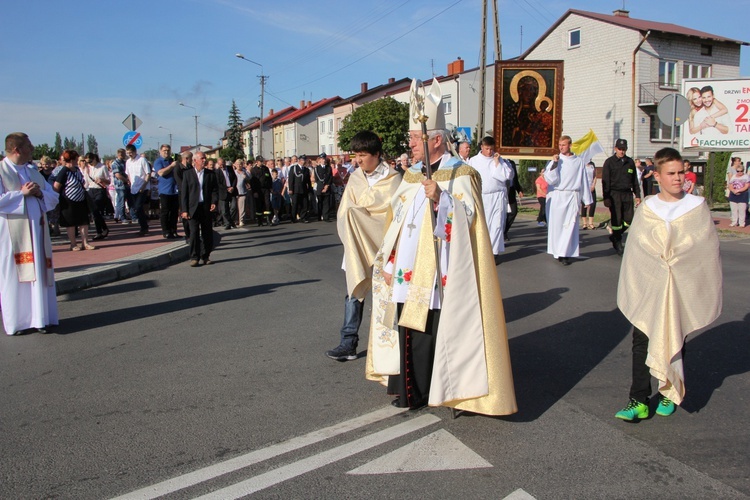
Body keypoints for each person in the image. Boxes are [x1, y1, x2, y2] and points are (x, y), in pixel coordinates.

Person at [367, 79, 517, 416]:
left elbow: (471, 220)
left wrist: (443, 199)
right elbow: (399, 220)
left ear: (436, 140)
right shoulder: (410, 175)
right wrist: (389, 259)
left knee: (433, 330)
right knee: (407, 326)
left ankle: (443, 387)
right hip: (407, 267)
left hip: (442, 269)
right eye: (411, 139)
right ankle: (409, 388)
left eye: (415, 139)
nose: (411, 144)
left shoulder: (461, 173)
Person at [615, 147, 722, 421]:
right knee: (641, 338)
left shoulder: (695, 207)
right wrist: (658, 260)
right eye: (671, 173)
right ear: (658, 176)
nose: (678, 178)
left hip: (680, 287)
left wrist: (678, 259)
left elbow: (705, 248)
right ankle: (637, 399)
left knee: (676, 335)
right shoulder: (648, 207)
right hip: (650, 286)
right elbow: (637, 247)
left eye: (681, 172)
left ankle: (668, 392)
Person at [326, 131, 401, 362]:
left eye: (362, 155)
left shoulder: (395, 179)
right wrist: (355, 226)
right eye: (355, 155)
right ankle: (348, 342)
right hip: (357, 244)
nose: (357, 160)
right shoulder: (356, 178)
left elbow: (395, 215)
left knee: (390, 296)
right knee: (353, 292)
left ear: (377, 154)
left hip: (385, 247)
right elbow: (344, 212)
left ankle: (394, 346)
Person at [0, 133, 59, 335]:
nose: (32, 148)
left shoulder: (32, 171)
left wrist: (39, 193)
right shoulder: (1, 171)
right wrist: (21, 194)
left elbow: (54, 196)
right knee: (14, 275)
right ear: (17, 149)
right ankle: (17, 322)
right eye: (28, 145)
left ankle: (41, 318)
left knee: (39, 272)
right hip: (12, 236)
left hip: (38, 231)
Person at [544, 135, 592, 265]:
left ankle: (564, 253)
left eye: (564, 145)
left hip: (572, 196)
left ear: (570, 145)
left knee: (570, 225)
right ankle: (558, 251)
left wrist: (587, 200)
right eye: (560, 145)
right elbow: (550, 179)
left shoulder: (579, 161)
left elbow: (584, 181)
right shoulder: (556, 160)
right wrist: (554, 163)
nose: (561, 147)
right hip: (559, 195)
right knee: (558, 226)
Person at [468, 136, 513, 261]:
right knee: (483, 225)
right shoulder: (473, 161)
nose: (489, 151)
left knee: (497, 225)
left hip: (498, 196)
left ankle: (494, 253)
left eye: (491, 149)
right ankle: (482, 252)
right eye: (487, 148)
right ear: (482, 147)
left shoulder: (499, 159)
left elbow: (508, 175)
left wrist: (497, 163)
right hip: (482, 197)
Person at [181, 151, 219, 267]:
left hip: (205, 207)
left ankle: (206, 256)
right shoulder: (188, 174)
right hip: (193, 208)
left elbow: (214, 190)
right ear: (195, 160)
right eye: (202, 158)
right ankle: (194, 257)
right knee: (194, 233)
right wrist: (184, 210)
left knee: (207, 233)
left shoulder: (210, 174)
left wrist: (214, 202)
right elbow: (184, 194)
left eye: (205, 158)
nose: (204, 160)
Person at [602, 139, 640, 255]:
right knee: (617, 220)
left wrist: (637, 195)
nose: (622, 151)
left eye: (623, 149)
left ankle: (614, 235)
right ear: (615, 148)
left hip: (627, 194)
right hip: (614, 194)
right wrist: (606, 197)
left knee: (629, 220)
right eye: (620, 149)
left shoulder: (630, 162)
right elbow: (605, 181)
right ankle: (618, 242)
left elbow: (635, 181)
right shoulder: (609, 162)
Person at [54, 150, 94, 250]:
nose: (78, 161)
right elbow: (56, 186)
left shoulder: (76, 169)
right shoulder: (64, 171)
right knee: (70, 223)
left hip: (81, 199)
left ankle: (85, 243)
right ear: (71, 160)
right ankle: (73, 244)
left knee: (84, 222)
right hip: (68, 200)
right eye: (76, 159)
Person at [153, 144, 180, 239]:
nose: (166, 152)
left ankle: (174, 230)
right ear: (160, 151)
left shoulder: (172, 161)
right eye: (164, 150)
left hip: (174, 190)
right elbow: (161, 172)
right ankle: (166, 231)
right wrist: (171, 166)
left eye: (168, 150)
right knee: (165, 212)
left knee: (174, 212)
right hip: (165, 191)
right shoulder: (158, 161)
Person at [82, 153, 110, 240]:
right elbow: (86, 181)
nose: (89, 163)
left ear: (94, 158)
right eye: (87, 162)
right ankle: (102, 230)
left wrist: (102, 180)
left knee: (97, 209)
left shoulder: (102, 167)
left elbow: (109, 181)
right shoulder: (88, 168)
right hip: (90, 190)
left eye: (90, 161)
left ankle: (100, 231)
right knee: (94, 212)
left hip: (100, 190)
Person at [124, 144, 151, 236]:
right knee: (136, 208)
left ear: (135, 151)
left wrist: (144, 186)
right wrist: (131, 182)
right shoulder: (128, 162)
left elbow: (148, 173)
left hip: (142, 187)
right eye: (128, 153)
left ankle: (144, 227)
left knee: (139, 206)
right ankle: (143, 225)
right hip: (134, 188)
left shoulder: (142, 160)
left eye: (131, 153)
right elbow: (128, 174)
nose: (129, 155)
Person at [173, 152, 192, 242]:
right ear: (186, 159)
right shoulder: (178, 168)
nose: (192, 160)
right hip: (183, 194)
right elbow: (179, 182)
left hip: (192, 193)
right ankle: (188, 235)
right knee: (185, 213)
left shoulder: (191, 168)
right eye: (191, 158)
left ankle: (193, 234)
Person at [215, 157, 237, 229]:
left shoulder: (230, 168)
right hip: (223, 192)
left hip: (232, 191)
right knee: (224, 210)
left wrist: (232, 187)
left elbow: (234, 178)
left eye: (223, 164)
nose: (222, 166)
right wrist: (227, 189)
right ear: (218, 164)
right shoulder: (217, 172)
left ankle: (230, 220)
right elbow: (218, 183)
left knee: (234, 207)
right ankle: (228, 223)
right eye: (220, 164)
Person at [504, 159, 523, 242]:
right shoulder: (497, 161)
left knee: (513, 211)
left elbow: (515, 178)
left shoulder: (511, 163)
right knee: (501, 213)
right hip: (501, 190)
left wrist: (519, 189)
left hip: (511, 190)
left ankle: (504, 231)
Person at [287, 154, 311, 223]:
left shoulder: (306, 169)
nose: (303, 162)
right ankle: (293, 218)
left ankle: (303, 217)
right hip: (295, 189)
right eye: (302, 160)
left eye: (304, 160)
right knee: (295, 204)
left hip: (303, 189)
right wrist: (291, 189)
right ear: (299, 161)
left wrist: (309, 189)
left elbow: (308, 181)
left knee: (305, 204)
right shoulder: (294, 168)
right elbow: (291, 179)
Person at [111, 148, 131, 223]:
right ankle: (122, 217)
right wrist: (127, 180)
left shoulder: (125, 162)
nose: (123, 155)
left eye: (124, 154)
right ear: (118, 154)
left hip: (127, 185)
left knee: (130, 201)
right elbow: (117, 175)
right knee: (121, 202)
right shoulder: (115, 163)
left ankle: (133, 216)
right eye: (122, 154)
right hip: (120, 185)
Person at [727, 161, 749, 227]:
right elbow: (730, 185)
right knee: (734, 209)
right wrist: (733, 190)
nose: (739, 172)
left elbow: (747, 186)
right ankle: (734, 222)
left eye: (741, 171)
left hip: (743, 195)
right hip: (733, 194)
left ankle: (742, 223)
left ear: (743, 170)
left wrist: (739, 190)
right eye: (738, 171)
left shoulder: (746, 177)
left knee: (742, 210)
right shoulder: (733, 176)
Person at [581, 161, 597, 230]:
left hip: (591, 187)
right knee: (584, 205)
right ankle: (585, 223)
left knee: (593, 204)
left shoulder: (592, 165)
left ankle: (591, 222)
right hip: (584, 187)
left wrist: (593, 185)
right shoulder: (582, 164)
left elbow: (595, 176)